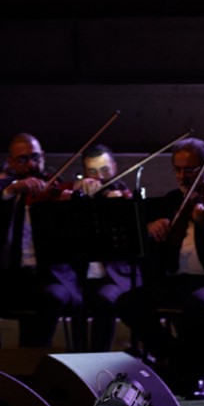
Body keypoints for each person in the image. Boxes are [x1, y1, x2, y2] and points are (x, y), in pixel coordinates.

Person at [116, 137, 204, 399]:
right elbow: (138, 235)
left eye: (190, 169)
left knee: (197, 303)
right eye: (178, 170)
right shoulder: (170, 201)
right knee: (127, 302)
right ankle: (175, 359)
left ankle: (194, 376)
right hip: (179, 280)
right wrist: (149, 229)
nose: (183, 176)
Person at [0, 133, 81, 360]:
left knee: (51, 299)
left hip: (49, 276)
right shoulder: (4, 192)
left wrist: (69, 204)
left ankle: (31, 363)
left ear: (43, 157)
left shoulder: (54, 189)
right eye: (23, 159)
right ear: (10, 162)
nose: (31, 165)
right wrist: (10, 190)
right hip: (7, 277)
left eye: (35, 158)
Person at [67, 144, 140, 352]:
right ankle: (78, 360)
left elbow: (135, 241)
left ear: (115, 168)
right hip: (81, 275)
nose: (99, 178)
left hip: (115, 276)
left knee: (104, 299)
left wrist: (119, 210)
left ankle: (100, 358)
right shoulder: (79, 196)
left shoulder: (125, 196)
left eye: (105, 170)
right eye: (92, 172)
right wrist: (77, 197)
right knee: (73, 298)